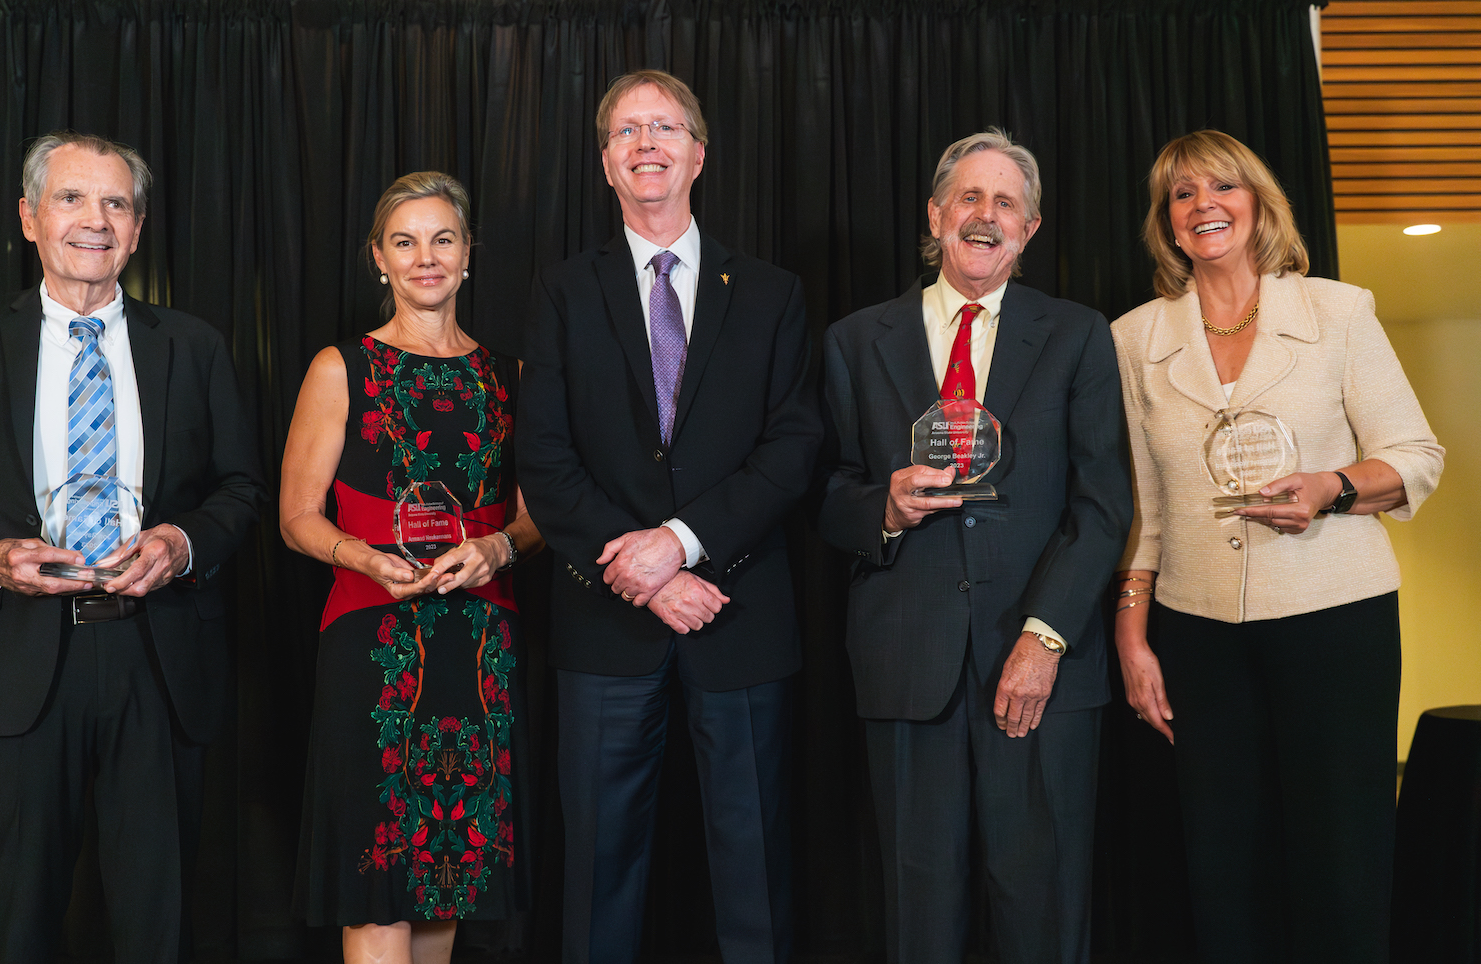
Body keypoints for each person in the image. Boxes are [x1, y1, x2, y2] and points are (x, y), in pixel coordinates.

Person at [0, 131, 264, 962]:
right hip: (16, 661)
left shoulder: (191, 346)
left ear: (137, 227)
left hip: (157, 661)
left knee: (156, 922)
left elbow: (241, 489)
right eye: (72, 198)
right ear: (28, 217)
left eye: (116, 203)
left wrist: (184, 542)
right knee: (18, 923)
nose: (96, 220)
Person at [1112, 129, 1444, 964]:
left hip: (1336, 619)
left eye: (1221, 187)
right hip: (1196, 629)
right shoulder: (1135, 338)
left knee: (1340, 849)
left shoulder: (1338, 311)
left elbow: (1416, 457)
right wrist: (1130, 635)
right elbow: (1143, 509)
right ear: (1168, 224)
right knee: (1222, 857)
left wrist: (1332, 488)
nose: (1203, 206)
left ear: (1258, 203)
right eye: (1182, 195)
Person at [516, 69, 821, 964]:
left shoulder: (772, 294)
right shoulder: (562, 292)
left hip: (741, 616)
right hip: (607, 621)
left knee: (754, 867)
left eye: (665, 128)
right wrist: (645, 579)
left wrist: (680, 547)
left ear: (698, 154)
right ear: (607, 164)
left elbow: (792, 448)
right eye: (626, 132)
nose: (646, 143)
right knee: (598, 870)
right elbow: (544, 459)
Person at [816, 128, 1131, 964]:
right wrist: (881, 505)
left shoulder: (1077, 336)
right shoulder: (855, 340)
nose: (985, 216)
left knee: (1042, 901)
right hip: (905, 665)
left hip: (1041, 665)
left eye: (1006, 204)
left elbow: (1103, 506)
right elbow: (827, 498)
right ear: (936, 215)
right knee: (919, 911)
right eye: (969, 198)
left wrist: (1045, 636)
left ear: (1028, 229)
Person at [281, 171, 542, 964]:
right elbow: (297, 516)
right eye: (405, 242)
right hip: (373, 646)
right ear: (378, 259)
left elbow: (536, 516)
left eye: (442, 240)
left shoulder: (511, 377)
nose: (425, 258)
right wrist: (361, 555)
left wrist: (499, 546)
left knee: (449, 878)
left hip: (481, 650)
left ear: (467, 257)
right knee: (380, 880)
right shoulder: (342, 368)